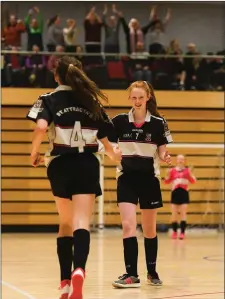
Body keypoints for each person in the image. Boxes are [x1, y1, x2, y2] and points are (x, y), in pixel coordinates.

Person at [26, 56, 121, 299]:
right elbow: (105, 141)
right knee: (81, 223)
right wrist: (113, 155)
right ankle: (79, 269)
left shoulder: (48, 99)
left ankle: (65, 282)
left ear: (56, 76)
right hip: (87, 164)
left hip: (60, 165)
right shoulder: (91, 101)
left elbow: (39, 127)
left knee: (65, 224)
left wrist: (34, 151)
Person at [108, 80, 173, 288]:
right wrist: (112, 153)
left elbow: (162, 149)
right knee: (128, 226)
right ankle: (131, 274)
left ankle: (152, 272)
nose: (137, 101)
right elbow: (106, 145)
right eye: (133, 97)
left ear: (148, 98)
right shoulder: (118, 121)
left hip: (149, 180)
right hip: (126, 179)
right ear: (130, 98)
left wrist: (165, 156)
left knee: (149, 229)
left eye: (141, 98)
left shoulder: (158, 122)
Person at [164, 154, 196, 240]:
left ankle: (182, 233)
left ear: (184, 161)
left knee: (183, 214)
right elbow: (166, 182)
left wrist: (192, 174)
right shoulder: (172, 171)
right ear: (176, 160)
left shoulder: (187, 171)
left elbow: (193, 181)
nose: (180, 161)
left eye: (182, 159)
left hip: (184, 193)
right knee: (174, 214)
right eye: (179, 159)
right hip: (175, 194)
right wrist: (167, 175)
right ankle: (174, 232)